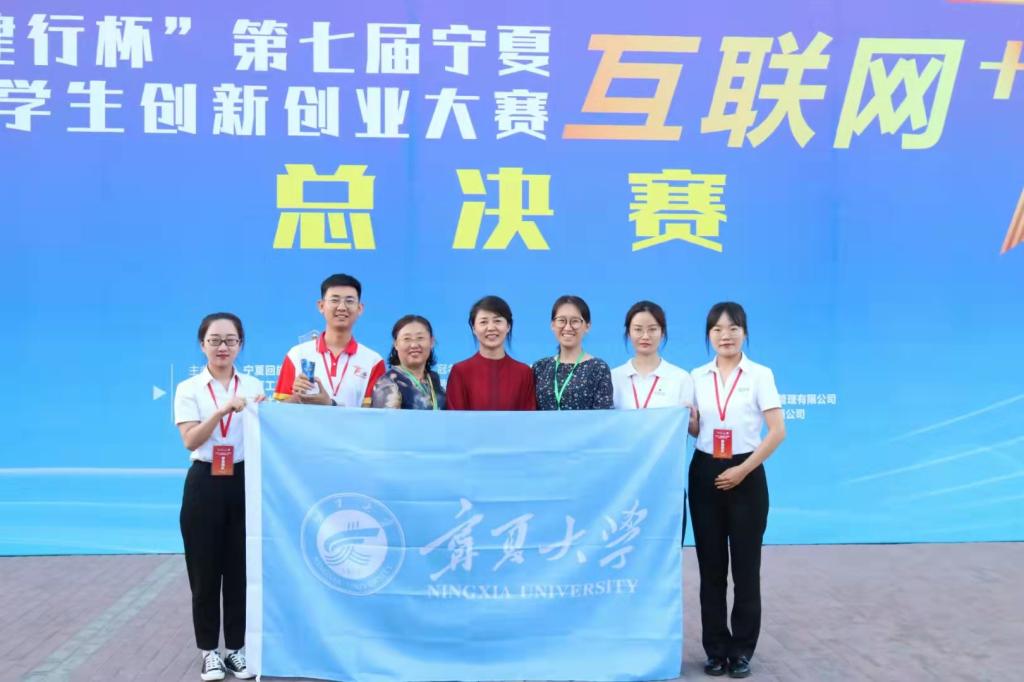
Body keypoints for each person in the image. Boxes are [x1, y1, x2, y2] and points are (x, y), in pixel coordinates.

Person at [688, 302, 785, 679]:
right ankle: (715, 649)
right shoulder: (696, 376)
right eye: (717, 329)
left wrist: (743, 470)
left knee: (746, 570)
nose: (725, 336)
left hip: (747, 472)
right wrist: (689, 422)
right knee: (711, 569)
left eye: (732, 328)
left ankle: (742, 650)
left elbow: (777, 431)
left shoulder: (760, 375)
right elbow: (697, 429)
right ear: (708, 335)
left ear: (744, 332)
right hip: (705, 472)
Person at [174, 313, 264, 681]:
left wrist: (267, 408)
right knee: (204, 571)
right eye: (215, 340)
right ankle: (209, 651)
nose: (222, 347)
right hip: (205, 481)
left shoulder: (253, 385)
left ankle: (236, 650)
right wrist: (222, 410)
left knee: (240, 570)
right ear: (202, 345)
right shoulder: (189, 388)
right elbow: (190, 440)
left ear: (240, 345)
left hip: (244, 479)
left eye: (230, 340)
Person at [273, 273, 385, 407]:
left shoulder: (373, 361)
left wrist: (330, 404)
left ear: (360, 308)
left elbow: (374, 415)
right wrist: (298, 397)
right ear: (321, 306)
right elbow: (278, 411)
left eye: (349, 301)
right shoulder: (297, 355)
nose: (342, 307)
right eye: (334, 300)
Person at [445, 295, 536, 410]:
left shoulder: (524, 373)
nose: (491, 328)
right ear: (473, 328)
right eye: (483, 322)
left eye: (497, 321)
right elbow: (454, 417)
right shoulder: (460, 372)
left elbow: (528, 418)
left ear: (508, 326)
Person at [610, 300, 695, 411]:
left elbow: (686, 420)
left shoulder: (681, 378)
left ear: (662, 333)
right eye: (638, 329)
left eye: (652, 329)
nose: (645, 336)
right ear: (629, 333)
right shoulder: (613, 378)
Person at [532, 295, 613, 410]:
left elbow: (604, 416)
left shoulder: (598, 368)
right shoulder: (540, 367)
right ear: (552, 325)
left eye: (575, 321)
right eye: (561, 321)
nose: (568, 327)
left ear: (588, 326)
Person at [371, 314, 446, 410]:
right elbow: (387, 419)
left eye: (420, 338)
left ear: (431, 342)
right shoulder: (388, 382)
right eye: (407, 339)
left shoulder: (433, 378)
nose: (414, 345)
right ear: (396, 344)